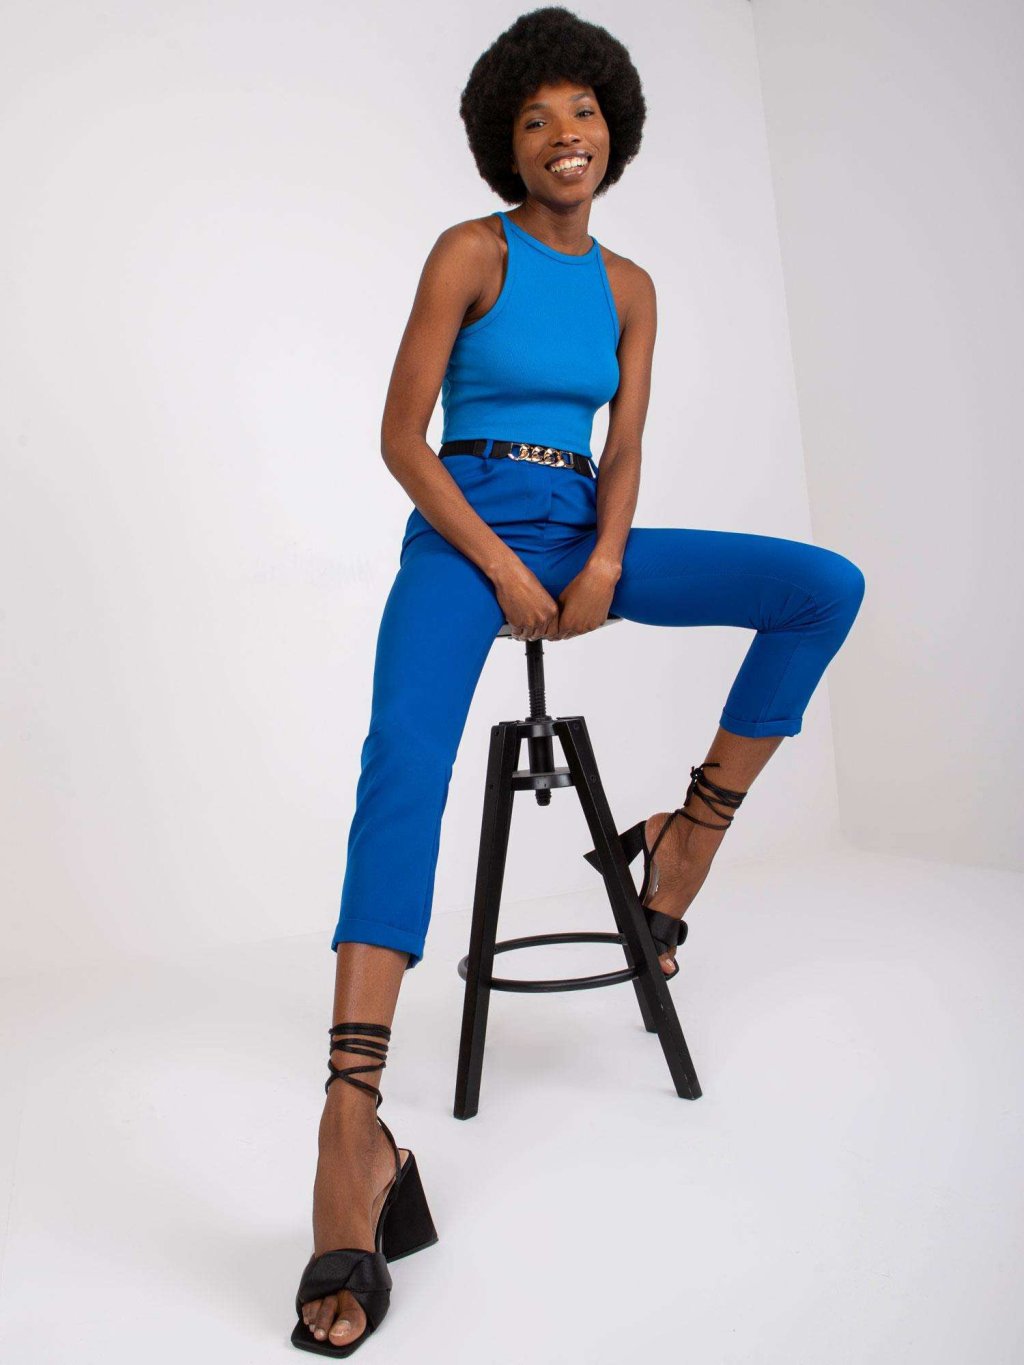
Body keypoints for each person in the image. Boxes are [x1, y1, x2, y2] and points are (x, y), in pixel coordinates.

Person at [289, 6, 866, 1355]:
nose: (565, 134)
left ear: (615, 129)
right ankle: (349, 1126)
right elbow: (401, 437)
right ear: (507, 142)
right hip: (464, 533)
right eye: (537, 117)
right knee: (402, 763)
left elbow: (628, 443)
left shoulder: (631, 285)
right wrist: (497, 563)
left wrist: (604, 557)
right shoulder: (469, 252)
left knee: (821, 586)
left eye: (584, 112)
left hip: (575, 529)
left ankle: (684, 839)